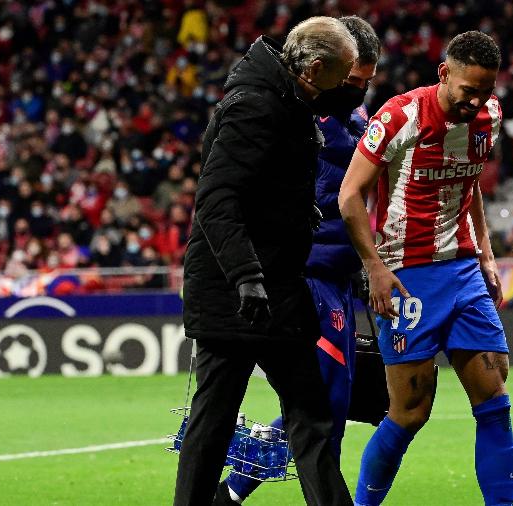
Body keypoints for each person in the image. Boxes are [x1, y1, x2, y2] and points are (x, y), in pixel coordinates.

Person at [174, 17, 358, 506]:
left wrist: (300, 213)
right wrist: (245, 278)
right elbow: (216, 200)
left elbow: (263, 189)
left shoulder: (287, 102)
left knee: (311, 417)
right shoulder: (254, 107)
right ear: (315, 68)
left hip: (277, 287)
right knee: (215, 424)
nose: (345, 88)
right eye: (341, 77)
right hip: (237, 293)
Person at [338, 31, 513, 506]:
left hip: (461, 270)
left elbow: (471, 180)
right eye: (468, 91)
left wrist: (485, 251)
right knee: (409, 413)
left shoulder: (489, 118)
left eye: (486, 91)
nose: (476, 101)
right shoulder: (400, 116)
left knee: (495, 403)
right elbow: (350, 194)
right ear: (444, 75)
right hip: (406, 274)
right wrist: (373, 266)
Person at [217, 16, 381, 505]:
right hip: (307, 272)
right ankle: (232, 491)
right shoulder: (297, 111)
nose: (356, 91)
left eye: (365, 83)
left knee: (330, 403)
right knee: (320, 405)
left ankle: (230, 493)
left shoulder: (355, 116)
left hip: (336, 275)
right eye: (352, 81)